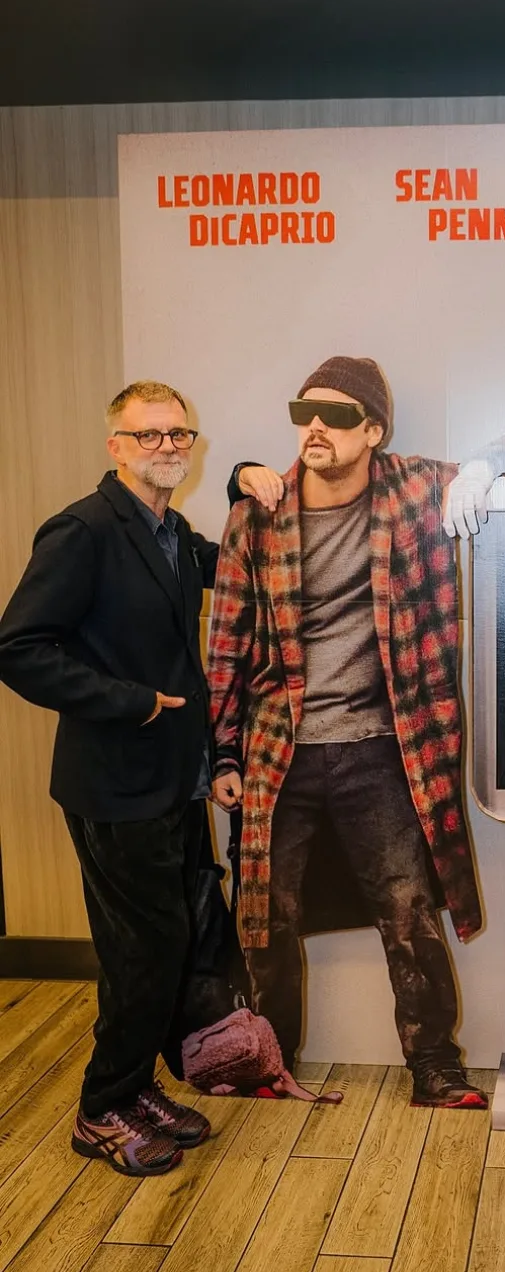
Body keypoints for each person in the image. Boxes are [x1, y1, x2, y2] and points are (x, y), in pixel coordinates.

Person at [208, 355, 505, 1108]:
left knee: (408, 912)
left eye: (337, 416)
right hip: (279, 749)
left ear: (373, 430)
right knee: (266, 916)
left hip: (384, 746)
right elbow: (227, 643)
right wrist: (223, 752)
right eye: (304, 412)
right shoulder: (257, 514)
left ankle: (435, 1065)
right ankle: (269, 1059)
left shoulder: (415, 490)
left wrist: (484, 468)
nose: (315, 428)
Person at [0, 381, 280, 1176]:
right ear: (116, 447)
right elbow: (18, 649)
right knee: (142, 953)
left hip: (174, 781)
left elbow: (238, 573)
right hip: (116, 782)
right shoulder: (84, 530)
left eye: (178, 434)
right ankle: (101, 1109)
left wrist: (245, 480)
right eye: (148, 434)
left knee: (170, 944)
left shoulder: (173, 532)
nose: (167, 446)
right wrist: (132, 702)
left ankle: (136, 1090)